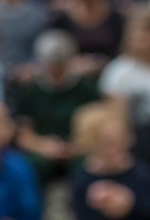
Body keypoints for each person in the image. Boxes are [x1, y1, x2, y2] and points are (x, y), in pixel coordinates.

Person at [12, 32, 100, 184]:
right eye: (51, 64)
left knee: (88, 165)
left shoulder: (85, 88)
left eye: (61, 64)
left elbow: (97, 127)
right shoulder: (31, 90)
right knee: (32, 165)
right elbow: (23, 133)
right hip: (42, 147)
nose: (56, 70)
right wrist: (42, 146)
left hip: (78, 147)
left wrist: (74, 148)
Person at [100, 9, 150, 165]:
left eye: (147, 36)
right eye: (138, 37)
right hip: (136, 139)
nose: (142, 42)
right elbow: (116, 118)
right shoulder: (119, 71)